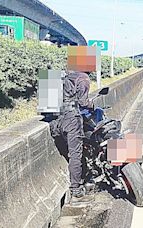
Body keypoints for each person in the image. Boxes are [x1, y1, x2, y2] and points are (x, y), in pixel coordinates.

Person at [49, 70, 94, 205]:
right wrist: (92, 105)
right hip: (71, 119)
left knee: (68, 151)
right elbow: (83, 102)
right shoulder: (83, 77)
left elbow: (46, 104)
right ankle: (76, 189)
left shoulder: (57, 75)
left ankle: (82, 175)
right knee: (75, 154)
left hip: (55, 122)